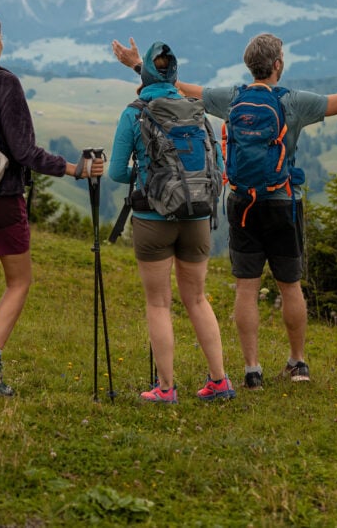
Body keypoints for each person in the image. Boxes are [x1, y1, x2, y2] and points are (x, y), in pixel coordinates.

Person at [112, 33, 337, 390]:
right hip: (284, 201)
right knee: (290, 285)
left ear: (249, 64)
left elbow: (174, 87)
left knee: (246, 288)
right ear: (277, 65)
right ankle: (298, 363)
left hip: (242, 204)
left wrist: (138, 65)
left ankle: (252, 370)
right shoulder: (293, 102)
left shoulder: (231, 98)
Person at [0, 11, 104, 397]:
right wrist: (73, 169)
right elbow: (25, 151)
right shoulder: (4, 82)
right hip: (0, 196)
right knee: (19, 281)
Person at [109, 41, 235, 403]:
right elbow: (218, 169)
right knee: (197, 298)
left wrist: (148, 178)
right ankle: (220, 381)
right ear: (175, 74)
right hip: (198, 216)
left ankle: (165, 388)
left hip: (153, 218)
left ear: (146, 74)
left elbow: (117, 172)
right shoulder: (198, 112)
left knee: (159, 303)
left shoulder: (134, 113)